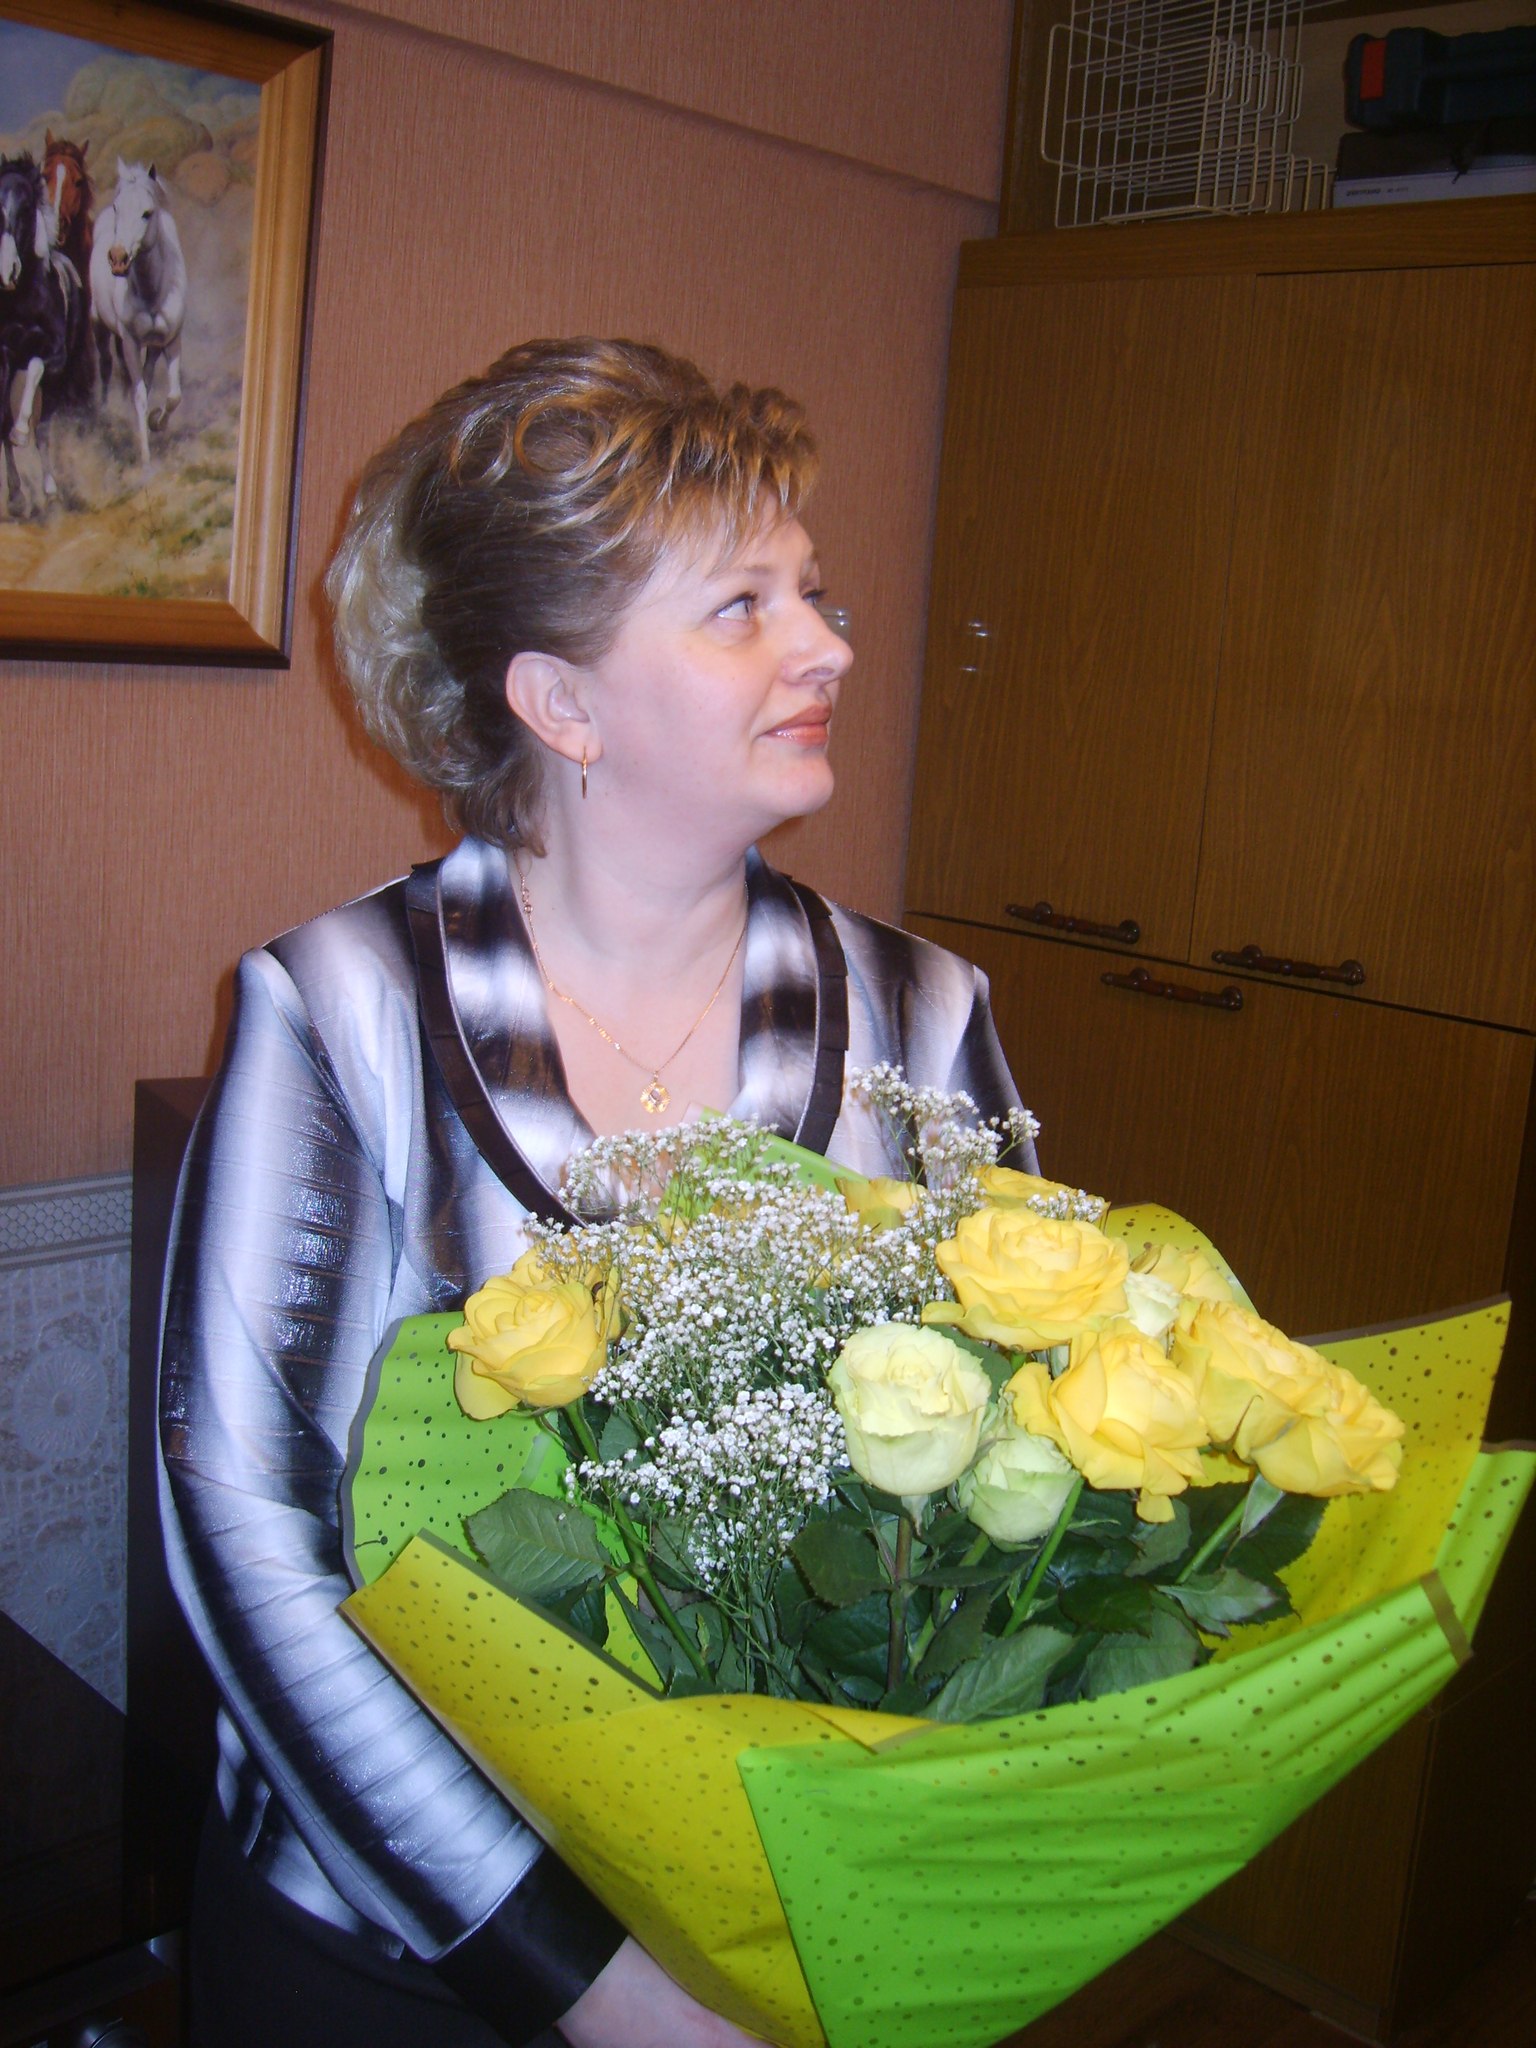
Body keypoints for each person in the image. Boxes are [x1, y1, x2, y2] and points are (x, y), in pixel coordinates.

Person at [159, 337, 1035, 2047]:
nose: (829, 645)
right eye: (742, 608)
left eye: (814, 592)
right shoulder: (341, 1013)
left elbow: (1022, 1454)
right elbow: (250, 1533)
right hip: (391, 1951)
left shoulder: (924, 1017)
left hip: (786, 1916)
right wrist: (581, 1976)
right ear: (561, 706)